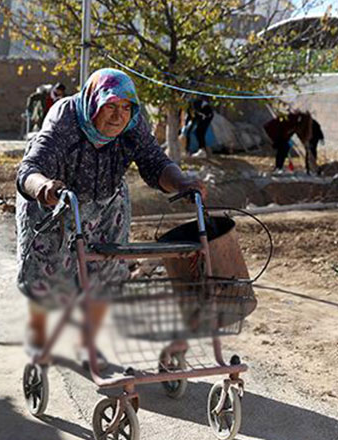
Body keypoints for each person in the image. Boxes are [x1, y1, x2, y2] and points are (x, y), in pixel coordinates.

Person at [16, 68, 204, 369]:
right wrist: (45, 188)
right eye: (111, 106)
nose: (119, 116)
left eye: (126, 108)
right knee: (47, 274)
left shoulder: (133, 124)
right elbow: (31, 168)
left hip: (106, 200)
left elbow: (154, 162)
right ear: (94, 102)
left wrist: (181, 183)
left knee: (105, 269)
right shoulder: (65, 117)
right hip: (56, 200)